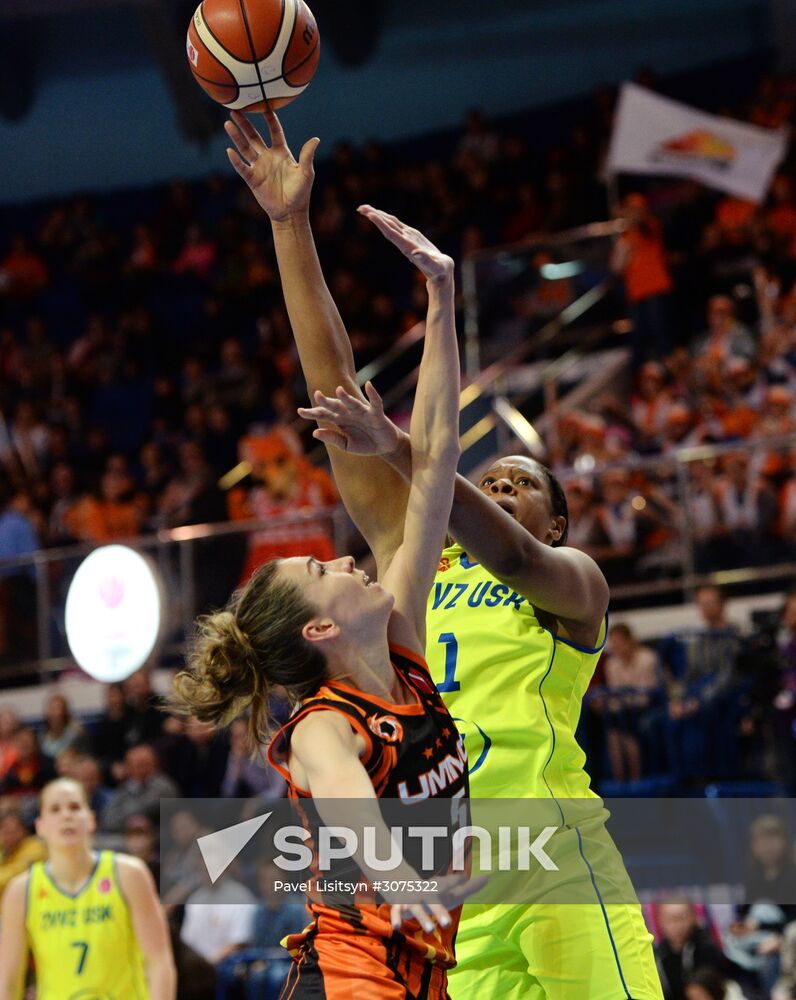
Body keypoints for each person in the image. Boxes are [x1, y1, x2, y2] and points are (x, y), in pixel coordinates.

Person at [225, 106, 663, 1000]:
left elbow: (469, 512)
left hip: (553, 864)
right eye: (489, 474)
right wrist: (291, 228)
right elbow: (333, 395)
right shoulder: (402, 597)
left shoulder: (567, 582)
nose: (500, 488)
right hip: (453, 894)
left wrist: (403, 440)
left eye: (522, 483)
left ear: (556, 523)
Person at [171, 195, 473, 999]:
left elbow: (437, 464)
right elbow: (353, 811)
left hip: (423, 974)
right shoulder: (323, 728)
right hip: (348, 978)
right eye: (322, 567)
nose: (345, 556)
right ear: (322, 624)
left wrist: (443, 300)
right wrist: (408, 892)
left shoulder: (402, 657)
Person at [0, 777, 176, 999]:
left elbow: (159, 961)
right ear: (40, 826)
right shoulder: (21, 891)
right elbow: (8, 981)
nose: (66, 815)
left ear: (91, 819)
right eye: (55, 809)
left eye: (74, 807)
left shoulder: (130, 874)